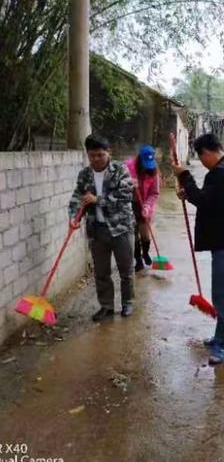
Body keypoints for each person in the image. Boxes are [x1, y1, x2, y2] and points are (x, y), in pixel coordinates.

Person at [171, 133, 224, 365]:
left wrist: (184, 175)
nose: (202, 162)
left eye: (201, 157)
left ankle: (221, 344)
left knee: (222, 296)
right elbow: (210, 201)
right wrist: (190, 192)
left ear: (207, 152)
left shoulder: (223, 172)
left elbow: (204, 200)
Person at [68, 134, 135, 322]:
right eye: (92, 156)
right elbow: (76, 197)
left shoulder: (120, 170)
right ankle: (106, 306)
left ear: (108, 152)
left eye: (100, 155)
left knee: (126, 270)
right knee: (101, 272)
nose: (96, 159)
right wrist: (74, 217)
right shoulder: (85, 174)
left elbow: (125, 197)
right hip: (97, 230)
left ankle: (128, 302)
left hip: (121, 228)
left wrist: (98, 200)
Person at [125, 145, 160, 272]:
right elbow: (119, 185)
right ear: (139, 159)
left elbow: (154, 193)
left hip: (145, 204)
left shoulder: (154, 171)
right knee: (133, 235)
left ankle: (145, 253)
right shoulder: (128, 166)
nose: (147, 167)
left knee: (145, 234)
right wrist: (129, 184)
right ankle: (138, 259)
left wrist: (147, 206)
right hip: (130, 204)